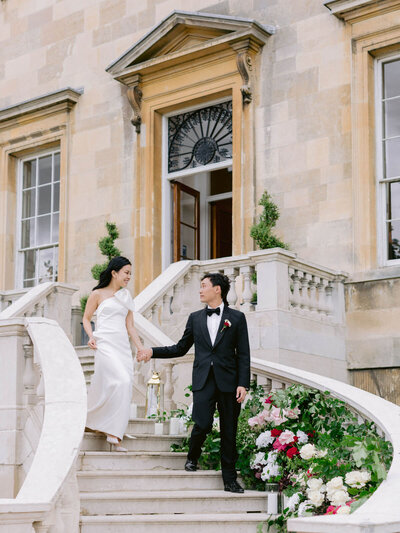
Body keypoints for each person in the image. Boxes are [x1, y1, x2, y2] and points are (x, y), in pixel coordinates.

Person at [137, 273, 250, 493]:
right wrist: (152, 351)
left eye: (204, 286)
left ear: (217, 289)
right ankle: (192, 455)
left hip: (229, 382)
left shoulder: (236, 318)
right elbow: (180, 348)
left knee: (229, 430)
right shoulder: (195, 318)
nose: (200, 290)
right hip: (203, 381)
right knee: (203, 423)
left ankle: (229, 479)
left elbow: (243, 354)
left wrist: (242, 384)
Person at [83, 256, 143, 452]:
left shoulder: (126, 297)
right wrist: (91, 336)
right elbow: (86, 318)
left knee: (119, 384)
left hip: (122, 346)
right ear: (114, 273)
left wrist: (140, 347)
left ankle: (103, 425)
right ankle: (114, 435)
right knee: (121, 381)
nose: (129, 277)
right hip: (104, 343)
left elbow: (130, 326)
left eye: (130, 274)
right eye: (126, 273)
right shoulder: (97, 294)